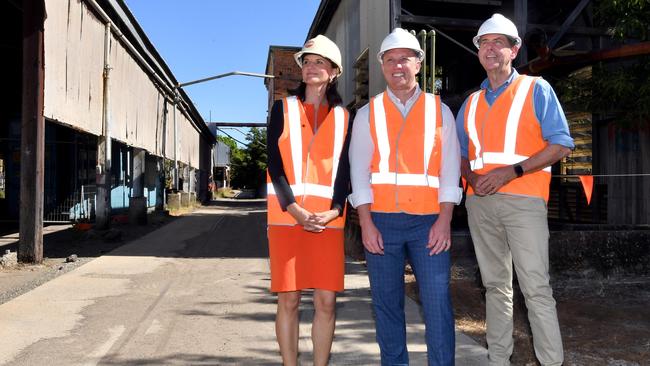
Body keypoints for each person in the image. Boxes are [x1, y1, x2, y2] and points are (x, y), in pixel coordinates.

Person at [455, 13, 574, 366]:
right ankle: (498, 359)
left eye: (498, 42)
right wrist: (472, 178)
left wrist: (513, 171)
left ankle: (551, 362)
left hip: (525, 200)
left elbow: (562, 143)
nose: (490, 49)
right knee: (495, 287)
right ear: (478, 51)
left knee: (536, 289)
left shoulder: (536, 89)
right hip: (480, 203)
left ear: (514, 49)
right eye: (484, 43)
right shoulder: (471, 102)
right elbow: (460, 155)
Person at [348, 28, 462, 365]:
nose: (398, 65)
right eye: (390, 59)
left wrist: (445, 220)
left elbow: (450, 170)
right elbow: (360, 174)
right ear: (383, 66)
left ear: (419, 63)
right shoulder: (368, 114)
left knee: (438, 302)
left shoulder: (440, 112)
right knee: (386, 304)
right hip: (382, 223)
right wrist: (365, 224)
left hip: (429, 223)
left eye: (405, 59)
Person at [266, 34, 351, 366]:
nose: (312, 67)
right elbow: (274, 162)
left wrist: (335, 210)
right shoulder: (282, 108)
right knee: (288, 300)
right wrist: (295, 209)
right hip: (287, 218)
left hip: (328, 222)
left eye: (320, 62)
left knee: (326, 302)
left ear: (333, 72)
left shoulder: (345, 116)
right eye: (307, 62)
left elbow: (346, 171)